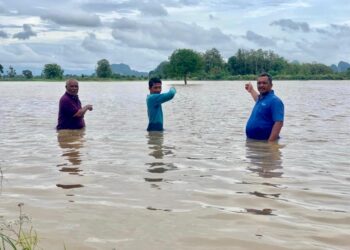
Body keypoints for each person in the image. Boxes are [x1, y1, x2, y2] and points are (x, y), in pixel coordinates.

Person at [245, 72, 284, 142]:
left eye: (264, 83)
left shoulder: (275, 101)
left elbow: (279, 123)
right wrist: (251, 90)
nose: (261, 85)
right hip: (254, 143)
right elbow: (257, 98)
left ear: (271, 85)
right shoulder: (260, 99)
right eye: (259, 83)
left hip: (264, 144)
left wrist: (270, 144)